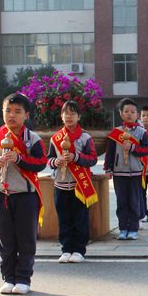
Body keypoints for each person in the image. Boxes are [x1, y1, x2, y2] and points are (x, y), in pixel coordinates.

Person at [0, 93, 48, 294]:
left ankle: (23, 279)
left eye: (17, 112)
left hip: (26, 196)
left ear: (26, 115)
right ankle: (8, 278)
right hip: (1, 196)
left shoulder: (32, 139)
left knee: (25, 240)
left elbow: (40, 163)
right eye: (8, 111)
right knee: (5, 240)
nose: (12, 115)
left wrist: (19, 159)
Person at [47, 101, 98, 263]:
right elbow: (48, 160)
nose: (69, 116)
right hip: (60, 184)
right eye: (66, 113)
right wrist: (56, 162)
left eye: (72, 113)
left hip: (79, 185)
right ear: (61, 116)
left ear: (79, 116)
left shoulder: (85, 137)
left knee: (80, 218)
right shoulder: (55, 138)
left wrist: (76, 157)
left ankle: (79, 250)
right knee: (64, 218)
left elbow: (92, 159)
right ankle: (66, 249)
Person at [105, 98, 148, 240]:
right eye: (126, 111)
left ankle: (133, 228)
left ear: (137, 114)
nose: (129, 114)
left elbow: (147, 149)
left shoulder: (141, 132)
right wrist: (108, 168)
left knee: (134, 201)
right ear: (120, 113)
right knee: (121, 202)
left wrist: (132, 147)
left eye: (132, 112)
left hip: (136, 172)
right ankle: (123, 228)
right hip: (119, 172)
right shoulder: (116, 132)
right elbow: (110, 153)